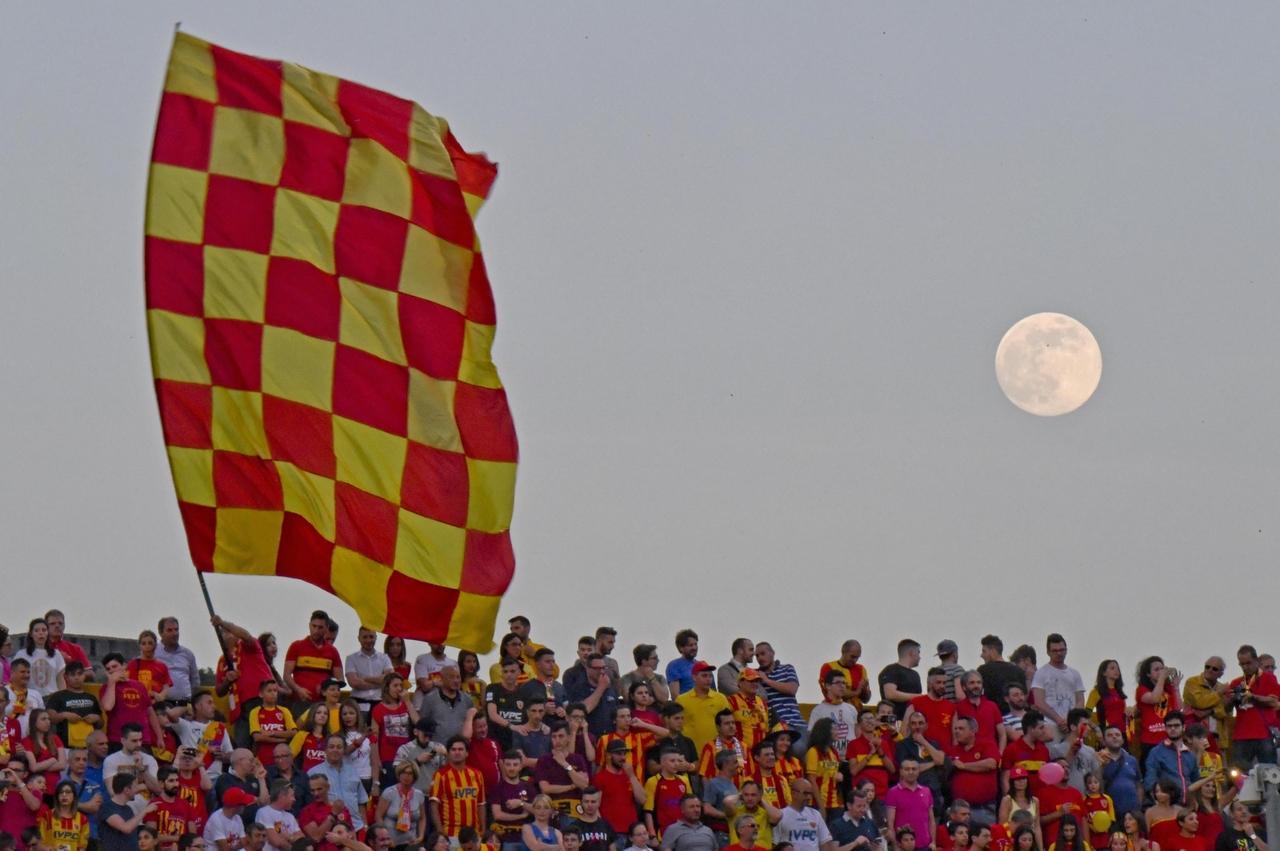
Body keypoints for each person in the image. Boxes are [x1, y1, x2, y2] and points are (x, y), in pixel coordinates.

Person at [1223, 645, 1279, 770]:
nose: (1245, 667)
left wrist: (1253, 697)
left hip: (1264, 734)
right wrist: (1231, 699)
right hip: (1241, 736)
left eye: (1248, 663)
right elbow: (1226, 709)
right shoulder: (1236, 683)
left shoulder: (1269, 678)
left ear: (1257, 661)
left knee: (1268, 773)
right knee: (1238, 774)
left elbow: (1273, 701)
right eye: (1242, 664)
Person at [100, 654, 164, 748]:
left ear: (124, 666)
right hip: (118, 739)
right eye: (108, 669)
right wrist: (112, 682)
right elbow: (108, 706)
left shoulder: (140, 686)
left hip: (142, 738)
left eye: (114, 666)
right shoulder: (106, 688)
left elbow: (150, 712)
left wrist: (159, 737)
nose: (112, 670)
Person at [429, 737, 486, 841]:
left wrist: (483, 828)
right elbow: (434, 806)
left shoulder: (477, 774)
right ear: (448, 753)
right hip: (451, 834)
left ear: (467, 753)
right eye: (453, 749)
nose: (457, 752)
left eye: (460, 749)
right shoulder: (440, 775)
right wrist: (440, 831)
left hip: (474, 833)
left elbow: (481, 804)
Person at [308, 736, 367, 834]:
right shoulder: (313, 773)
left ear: (344, 750)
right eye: (331, 747)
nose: (335, 750)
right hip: (329, 829)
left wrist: (365, 825)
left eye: (339, 747)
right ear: (325, 750)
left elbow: (361, 801)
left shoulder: (352, 771)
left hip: (356, 827)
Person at [284, 614, 343, 708]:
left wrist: (326, 686)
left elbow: (340, 679)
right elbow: (286, 675)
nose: (316, 630)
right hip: (300, 701)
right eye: (314, 626)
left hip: (323, 704)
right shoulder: (296, 646)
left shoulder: (333, 651)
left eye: (320, 627)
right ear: (309, 625)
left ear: (326, 628)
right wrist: (298, 689)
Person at [1029, 637, 1084, 739]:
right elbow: (1039, 702)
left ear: (1066, 650)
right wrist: (1058, 720)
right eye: (1055, 651)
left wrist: (1071, 720)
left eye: (1062, 650)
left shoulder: (1074, 674)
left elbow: (1080, 700)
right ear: (1048, 652)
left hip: (1073, 727)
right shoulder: (1041, 673)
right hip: (1050, 726)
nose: (1059, 653)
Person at [533, 723, 590, 818]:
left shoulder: (578, 759)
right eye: (554, 737)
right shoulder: (544, 760)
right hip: (553, 810)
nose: (557, 740)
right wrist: (572, 786)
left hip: (575, 810)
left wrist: (565, 764)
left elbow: (584, 785)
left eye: (561, 736)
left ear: (569, 738)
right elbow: (546, 788)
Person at [1142, 712, 1199, 805]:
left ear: (1183, 727)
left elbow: (1195, 780)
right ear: (1165, 728)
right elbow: (1150, 780)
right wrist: (1157, 802)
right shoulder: (1156, 752)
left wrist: (1194, 802)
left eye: (1176, 725)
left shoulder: (1190, 754)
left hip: (1188, 806)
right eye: (1169, 726)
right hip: (1166, 805)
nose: (1172, 728)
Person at [370, 675, 417, 786]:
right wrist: (377, 759)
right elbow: (374, 738)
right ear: (387, 688)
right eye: (395, 686)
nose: (399, 688)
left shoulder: (406, 705)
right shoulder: (378, 709)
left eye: (401, 685)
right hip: (388, 758)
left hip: (406, 757)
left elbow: (418, 723)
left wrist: (407, 702)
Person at [675, 664, 731, 757]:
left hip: (716, 752)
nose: (708, 679)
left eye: (710, 676)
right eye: (704, 676)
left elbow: (728, 724)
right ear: (694, 677)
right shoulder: (681, 700)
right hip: (691, 753)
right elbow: (676, 726)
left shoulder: (721, 698)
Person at [594, 740, 647, 837]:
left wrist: (632, 776)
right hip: (612, 832)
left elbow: (642, 800)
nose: (623, 758)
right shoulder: (600, 778)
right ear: (609, 755)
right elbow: (595, 806)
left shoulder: (630, 776)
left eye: (624, 754)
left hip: (632, 832)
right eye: (619, 754)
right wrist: (602, 829)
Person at [947, 717, 999, 816]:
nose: (957, 731)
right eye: (955, 728)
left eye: (961, 729)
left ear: (973, 730)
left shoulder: (987, 744)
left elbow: (991, 764)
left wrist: (964, 766)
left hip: (984, 807)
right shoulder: (953, 750)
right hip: (958, 809)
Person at [44, 663, 100, 750]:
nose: (77, 678)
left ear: (84, 676)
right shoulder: (57, 696)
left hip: (89, 747)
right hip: (65, 747)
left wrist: (97, 718)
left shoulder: (91, 697)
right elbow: (49, 718)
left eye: (79, 674)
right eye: (72, 675)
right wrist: (64, 715)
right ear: (66, 677)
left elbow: (100, 724)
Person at [1134, 659, 1181, 762]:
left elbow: (1178, 708)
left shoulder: (1167, 688)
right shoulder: (1142, 689)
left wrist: (1176, 688)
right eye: (1156, 669)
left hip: (1169, 737)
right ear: (1148, 674)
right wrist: (1162, 678)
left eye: (1162, 668)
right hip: (1150, 740)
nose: (1161, 671)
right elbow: (1154, 698)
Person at [488, 750, 535, 851]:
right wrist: (521, 816)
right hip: (507, 839)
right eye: (508, 764)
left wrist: (521, 803)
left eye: (515, 764)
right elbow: (497, 815)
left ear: (520, 766)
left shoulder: (528, 787)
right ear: (503, 766)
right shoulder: (497, 788)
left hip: (527, 838)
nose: (512, 768)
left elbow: (538, 810)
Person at [419, 666, 477, 747]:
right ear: (442, 679)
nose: (456, 681)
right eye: (451, 677)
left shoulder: (467, 699)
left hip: (460, 750)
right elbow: (422, 726)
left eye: (458, 677)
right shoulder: (430, 699)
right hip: (437, 749)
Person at [1180, 660, 1229, 756]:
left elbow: (1224, 711)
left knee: (1218, 764)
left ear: (1221, 674)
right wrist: (1218, 695)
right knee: (1196, 762)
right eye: (1207, 667)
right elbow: (1200, 702)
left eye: (1215, 669)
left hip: (1217, 736)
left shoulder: (1221, 687)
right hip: (1196, 736)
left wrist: (1210, 710)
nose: (1210, 670)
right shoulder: (1192, 682)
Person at [644, 747, 694, 840]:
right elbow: (648, 811)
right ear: (662, 762)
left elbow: (690, 806)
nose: (676, 764)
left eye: (678, 761)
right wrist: (652, 834)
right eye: (672, 761)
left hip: (684, 832)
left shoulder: (684, 780)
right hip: (663, 832)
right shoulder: (653, 782)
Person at [755, 645, 803, 741]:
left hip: (795, 722)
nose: (760, 658)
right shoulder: (755, 675)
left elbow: (792, 689)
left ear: (772, 653)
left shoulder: (787, 668)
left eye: (763, 654)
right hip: (774, 726)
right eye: (757, 656)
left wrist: (767, 680)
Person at [100, 773, 158, 851]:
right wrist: (145, 811)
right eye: (135, 787)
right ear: (127, 790)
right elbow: (126, 828)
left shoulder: (128, 809)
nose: (137, 790)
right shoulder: (107, 807)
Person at [884, 761, 933, 851]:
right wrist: (895, 845)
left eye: (914, 769)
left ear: (918, 771)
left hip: (925, 845)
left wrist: (933, 842)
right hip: (903, 846)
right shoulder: (893, 792)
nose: (911, 772)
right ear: (901, 771)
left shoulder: (926, 791)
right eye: (907, 769)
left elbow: (931, 820)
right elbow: (890, 823)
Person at [375, 762, 426, 849]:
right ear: (399, 775)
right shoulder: (389, 793)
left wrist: (421, 836)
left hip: (411, 842)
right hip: (391, 843)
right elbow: (378, 816)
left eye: (410, 773)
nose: (406, 776)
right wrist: (386, 839)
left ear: (414, 776)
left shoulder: (419, 794)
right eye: (403, 773)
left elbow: (422, 818)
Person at [568, 655, 621, 739]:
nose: (601, 671)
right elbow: (583, 710)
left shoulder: (610, 689)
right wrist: (601, 688)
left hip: (609, 737)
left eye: (603, 668)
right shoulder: (579, 689)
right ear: (587, 669)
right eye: (597, 668)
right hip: (589, 737)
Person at [1038, 760, 1086, 849]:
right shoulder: (1043, 793)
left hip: (1077, 846)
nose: (1066, 769)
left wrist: (1087, 845)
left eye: (1067, 767)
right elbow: (1038, 821)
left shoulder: (1076, 793)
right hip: (1055, 846)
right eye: (1062, 767)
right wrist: (1058, 813)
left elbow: (1083, 820)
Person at [297, 774, 353, 851]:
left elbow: (352, 834)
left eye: (319, 789)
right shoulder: (307, 812)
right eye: (312, 790)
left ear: (328, 787)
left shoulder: (341, 808)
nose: (316, 793)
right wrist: (333, 814)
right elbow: (316, 837)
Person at [12, 620, 66, 699]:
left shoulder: (56, 654)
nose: (41, 633)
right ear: (31, 634)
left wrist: (63, 698)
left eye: (44, 630)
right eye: (36, 630)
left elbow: (60, 679)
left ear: (47, 633)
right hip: (30, 698)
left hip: (52, 698)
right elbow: (15, 678)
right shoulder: (21, 654)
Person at [775, 779, 834, 851]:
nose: (809, 797)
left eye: (810, 794)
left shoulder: (816, 814)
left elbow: (825, 842)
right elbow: (775, 844)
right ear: (794, 793)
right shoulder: (781, 815)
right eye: (806, 793)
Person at [344, 629, 392, 718]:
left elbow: (390, 679)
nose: (368, 640)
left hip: (380, 702)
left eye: (371, 637)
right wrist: (380, 683)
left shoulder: (384, 658)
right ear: (359, 638)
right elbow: (354, 683)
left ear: (376, 637)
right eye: (365, 637)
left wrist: (365, 678)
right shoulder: (351, 659)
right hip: (358, 704)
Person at [903, 669, 957, 748]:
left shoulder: (951, 707)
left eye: (944, 683)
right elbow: (905, 730)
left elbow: (955, 736)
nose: (942, 686)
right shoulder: (915, 703)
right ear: (930, 684)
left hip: (945, 753)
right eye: (938, 682)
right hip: (921, 752)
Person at [809, 674, 859, 758]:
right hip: (829, 759)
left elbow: (858, 734)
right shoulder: (818, 710)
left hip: (851, 759)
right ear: (828, 686)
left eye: (844, 683)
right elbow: (813, 736)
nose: (842, 686)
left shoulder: (851, 708)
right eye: (838, 683)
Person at [103, 724, 161, 794]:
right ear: (123, 740)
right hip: (123, 801)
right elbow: (112, 792)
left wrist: (142, 769)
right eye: (134, 741)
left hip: (147, 800)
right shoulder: (111, 760)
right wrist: (142, 787)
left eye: (140, 740)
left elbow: (158, 790)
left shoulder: (149, 759)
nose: (139, 744)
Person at [250, 683, 298, 767]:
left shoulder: (284, 710)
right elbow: (257, 737)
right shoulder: (255, 711)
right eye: (269, 691)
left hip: (282, 757)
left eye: (275, 691)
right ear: (261, 694)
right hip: (263, 757)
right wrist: (281, 740)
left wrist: (272, 733)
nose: (273, 693)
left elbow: (293, 732)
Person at [957, 672, 1007, 753]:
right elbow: (956, 735)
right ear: (964, 687)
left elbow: (1002, 734)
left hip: (990, 753)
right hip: (968, 754)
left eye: (979, 682)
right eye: (972, 683)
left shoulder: (992, 706)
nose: (976, 686)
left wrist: (1000, 754)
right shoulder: (958, 707)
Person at [1096, 727, 1139, 817]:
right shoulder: (1097, 760)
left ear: (1122, 740)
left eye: (1117, 735)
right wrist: (1101, 766)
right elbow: (1094, 785)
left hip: (1132, 812)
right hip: (1108, 812)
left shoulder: (1132, 760)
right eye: (1110, 735)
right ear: (1103, 741)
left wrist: (1139, 804)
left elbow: (1139, 784)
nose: (1114, 737)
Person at [804, 720, 843, 817]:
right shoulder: (813, 751)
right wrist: (821, 806)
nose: (837, 732)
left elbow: (833, 776)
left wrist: (839, 776)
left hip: (834, 804)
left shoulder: (834, 752)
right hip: (816, 803)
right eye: (834, 729)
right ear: (824, 731)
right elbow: (811, 780)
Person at [21, 709, 67, 791]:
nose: (48, 722)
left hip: (55, 787)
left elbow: (62, 765)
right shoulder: (26, 741)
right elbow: (33, 768)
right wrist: (52, 760)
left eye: (48, 719)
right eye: (43, 719)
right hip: (37, 788)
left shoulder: (55, 738)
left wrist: (40, 767)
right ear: (34, 722)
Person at [484, 660, 525, 751]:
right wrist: (512, 726)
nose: (509, 675)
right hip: (497, 740)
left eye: (512, 671)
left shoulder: (524, 691)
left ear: (519, 672)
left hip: (516, 742)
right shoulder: (493, 688)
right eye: (505, 672)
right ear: (501, 673)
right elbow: (492, 715)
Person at [978, 639, 1024, 717]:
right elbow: (1025, 694)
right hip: (1016, 716)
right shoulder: (1018, 670)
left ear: (993, 651)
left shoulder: (983, 670)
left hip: (993, 716)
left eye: (984, 651)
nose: (981, 655)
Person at [699, 710, 750, 782]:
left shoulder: (744, 747)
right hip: (719, 789)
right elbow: (704, 776)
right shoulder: (709, 747)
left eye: (733, 723)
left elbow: (751, 774)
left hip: (742, 788)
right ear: (718, 727)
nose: (731, 726)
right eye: (727, 723)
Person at [40, 779, 90, 851]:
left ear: (74, 796)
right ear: (57, 796)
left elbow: (82, 846)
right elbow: (40, 841)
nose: (64, 795)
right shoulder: (47, 816)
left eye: (68, 792)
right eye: (61, 792)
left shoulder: (82, 819)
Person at [878, 642, 923, 722]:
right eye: (918, 652)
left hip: (912, 722)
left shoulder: (915, 675)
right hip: (894, 722)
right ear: (912, 653)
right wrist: (919, 697)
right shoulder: (891, 670)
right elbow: (890, 694)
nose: (920, 657)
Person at [1084, 664, 1128, 745]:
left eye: (1118, 668)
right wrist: (1096, 729)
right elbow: (1085, 715)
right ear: (1104, 673)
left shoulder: (1119, 691)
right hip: (1107, 733)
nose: (1116, 670)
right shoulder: (1096, 691)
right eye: (1112, 668)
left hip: (1121, 734)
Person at [519, 650, 567, 721]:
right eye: (547, 662)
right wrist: (542, 710)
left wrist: (563, 711)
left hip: (559, 726)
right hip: (536, 727)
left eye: (553, 661)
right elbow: (520, 714)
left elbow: (568, 709)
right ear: (538, 664)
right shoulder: (527, 687)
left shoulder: (559, 687)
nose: (552, 665)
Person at [257, 780, 304, 851]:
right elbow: (276, 841)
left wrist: (288, 837)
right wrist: (294, 843)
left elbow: (303, 841)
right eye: (292, 795)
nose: (294, 799)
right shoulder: (264, 812)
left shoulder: (290, 816)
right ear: (282, 795)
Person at [997, 769, 1039, 845]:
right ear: (1012, 782)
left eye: (1023, 778)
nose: (1021, 782)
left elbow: (1037, 827)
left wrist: (1040, 847)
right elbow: (1002, 826)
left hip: (1030, 842)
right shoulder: (1007, 800)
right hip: (1013, 841)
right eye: (1017, 779)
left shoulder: (1035, 801)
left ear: (1027, 780)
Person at [128, 632, 174, 701]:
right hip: (139, 702)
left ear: (155, 645)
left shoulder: (162, 666)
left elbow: (166, 686)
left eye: (150, 643)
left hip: (157, 703)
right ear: (140, 646)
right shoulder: (133, 664)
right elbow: (129, 685)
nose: (147, 646)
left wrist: (160, 696)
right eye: (144, 643)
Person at [566, 786, 615, 851]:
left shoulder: (606, 826)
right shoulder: (573, 827)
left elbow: (612, 848)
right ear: (581, 803)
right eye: (586, 801)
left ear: (599, 803)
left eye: (593, 802)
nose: (589, 805)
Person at [267, 743, 311, 814]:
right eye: (277, 757)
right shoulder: (268, 775)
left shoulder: (303, 777)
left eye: (284, 756)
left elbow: (309, 803)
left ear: (291, 756)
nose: (280, 760)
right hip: (275, 817)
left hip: (299, 817)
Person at [6, 660, 46, 736]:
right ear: (12, 673)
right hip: (10, 737)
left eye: (28, 672)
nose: (26, 675)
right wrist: (17, 707)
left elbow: (43, 716)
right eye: (22, 672)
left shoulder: (35, 694)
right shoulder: (3, 692)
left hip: (32, 738)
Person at [1079, 774, 1114, 851]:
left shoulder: (1107, 798)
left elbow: (1111, 818)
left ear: (1100, 783)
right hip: (1092, 840)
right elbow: (1084, 822)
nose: (1093, 785)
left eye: (1095, 782)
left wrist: (1103, 827)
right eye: (1090, 783)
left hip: (1105, 839)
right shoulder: (1084, 801)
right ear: (1086, 785)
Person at [666, 632, 700, 700]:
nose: (694, 647)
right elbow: (675, 696)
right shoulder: (674, 665)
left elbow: (712, 690)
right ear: (681, 648)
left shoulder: (702, 665)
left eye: (695, 644)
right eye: (690, 645)